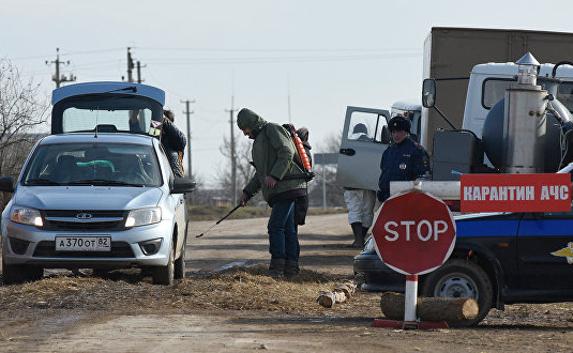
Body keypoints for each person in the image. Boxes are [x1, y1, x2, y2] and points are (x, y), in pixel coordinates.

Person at [237, 108, 308, 278]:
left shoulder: (272, 130)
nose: (245, 134)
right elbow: (261, 174)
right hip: (283, 189)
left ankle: (277, 267)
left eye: (245, 129)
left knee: (275, 226)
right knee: (288, 229)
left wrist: (276, 175)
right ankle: (291, 268)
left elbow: (287, 152)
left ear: (252, 124)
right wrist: (247, 193)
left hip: (288, 187)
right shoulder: (259, 140)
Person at [377, 115, 431, 203]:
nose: (396, 135)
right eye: (393, 132)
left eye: (399, 131)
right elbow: (384, 172)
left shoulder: (416, 151)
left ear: (406, 132)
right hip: (386, 199)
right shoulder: (389, 151)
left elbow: (423, 178)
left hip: (405, 200)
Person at [344, 122, 376, 247]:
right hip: (369, 183)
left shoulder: (348, 142)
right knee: (367, 211)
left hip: (351, 183)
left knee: (354, 210)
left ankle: (358, 239)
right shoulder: (373, 143)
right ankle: (361, 238)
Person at [160, 109, 187, 177]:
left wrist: (161, 115)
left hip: (174, 181)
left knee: (173, 155)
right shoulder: (155, 137)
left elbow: (181, 140)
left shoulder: (177, 139)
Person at [294, 127, 312, 228]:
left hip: (296, 189)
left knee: (292, 224)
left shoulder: (302, 150)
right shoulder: (305, 150)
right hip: (300, 190)